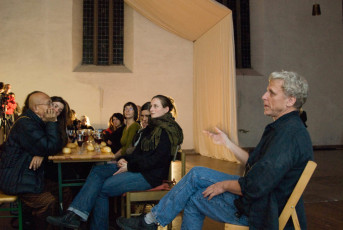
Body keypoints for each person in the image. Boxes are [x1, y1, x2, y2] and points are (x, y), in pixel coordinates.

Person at [116, 71, 314, 230]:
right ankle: (151, 220)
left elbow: (255, 186)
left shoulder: (289, 135)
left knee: (196, 177)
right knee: (195, 194)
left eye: (271, 92)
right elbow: (253, 163)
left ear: (290, 100)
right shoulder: (285, 128)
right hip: (259, 201)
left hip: (263, 211)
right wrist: (227, 143)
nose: (263, 96)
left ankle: (150, 221)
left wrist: (225, 185)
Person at [46, 95, 184, 230]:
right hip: (138, 168)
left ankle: (80, 218)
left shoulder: (166, 131)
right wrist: (125, 160)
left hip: (150, 176)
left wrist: (129, 166)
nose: (151, 109)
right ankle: (74, 214)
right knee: (97, 170)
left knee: (102, 188)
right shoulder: (151, 128)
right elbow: (137, 152)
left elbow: (156, 160)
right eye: (151, 105)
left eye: (156, 106)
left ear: (166, 109)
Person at [0, 91, 63, 230]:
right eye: (49, 104)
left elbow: (54, 146)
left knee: (64, 190)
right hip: (15, 178)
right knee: (48, 201)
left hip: (28, 174)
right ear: (36, 108)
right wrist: (52, 123)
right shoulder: (26, 124)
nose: (52, 108)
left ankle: (45, 223)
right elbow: (49, 146)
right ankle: (36, 224)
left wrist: (42, 153)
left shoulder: (37, 122)